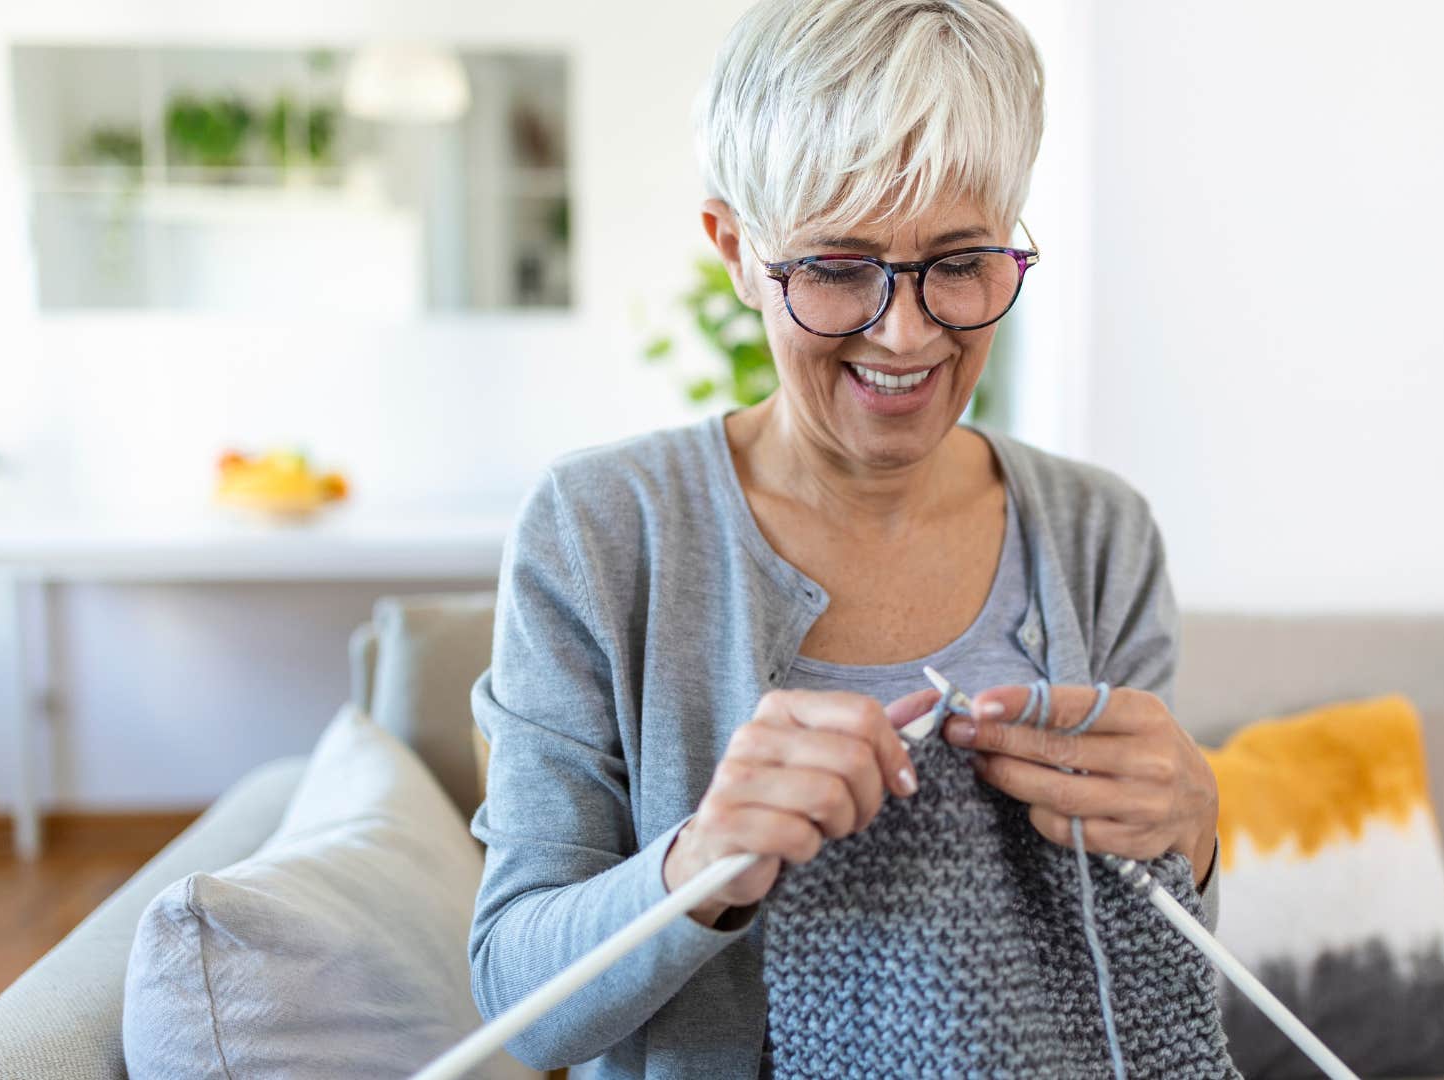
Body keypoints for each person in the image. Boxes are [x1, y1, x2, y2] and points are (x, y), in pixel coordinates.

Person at [468, 1, 1222, 1075]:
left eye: (959, 263)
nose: (906, 333)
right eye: (835, 267)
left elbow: (1147, 966)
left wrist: (1193, 835)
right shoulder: (600, 532)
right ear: (736, 251)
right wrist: (704, 859)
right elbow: (518, 1000)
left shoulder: (1101, 535)